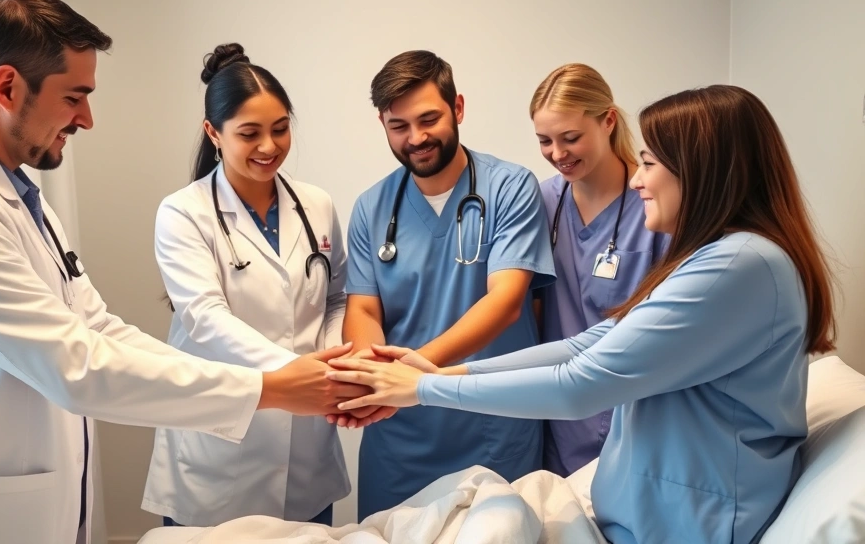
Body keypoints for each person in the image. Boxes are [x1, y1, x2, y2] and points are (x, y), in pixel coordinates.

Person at [0, 0, 364, 544]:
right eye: (74, 97)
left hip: (17, 506)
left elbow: (100, 328)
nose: (87, 119)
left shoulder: (13, 196)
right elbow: (77, 365)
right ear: (7, 87)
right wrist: (270, 387)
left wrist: (277, 382)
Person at [327, 85, 837, 544]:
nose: (638, 179)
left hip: (689, 518)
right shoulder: (719, 256)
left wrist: (421, 387)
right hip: (649, 510)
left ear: (706, 172)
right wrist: (439, 372)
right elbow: (587, 342)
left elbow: (579, 383)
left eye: (650, 163)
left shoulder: (739, 264)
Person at [338, 50, 556, 519]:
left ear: (457, 108)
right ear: (383, 124)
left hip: (491, 425)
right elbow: (363, 310)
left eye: (428, 119)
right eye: (399, 126)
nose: (415, 138)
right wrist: (369, 373)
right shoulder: (372, 207)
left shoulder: (510, 188)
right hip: (399, 434)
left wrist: (415, 373)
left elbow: (506, 301)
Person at [142, 43, 349, 527]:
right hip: (219, 446)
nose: (269, 147)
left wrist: (334, 356)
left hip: (306, 452)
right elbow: (204, 317)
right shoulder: (182, 212)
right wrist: (296, 372)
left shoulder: (315, 203)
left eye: (280, 129)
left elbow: (337, 296)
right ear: (213, 133)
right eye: (249, 134)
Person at [529, 63, 670, 476]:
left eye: (571, 138)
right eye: (544, 141)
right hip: (555, 409)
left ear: (608, 120)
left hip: (632, 409)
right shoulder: (542, 201)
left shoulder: (655, 205)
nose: (558, 154)